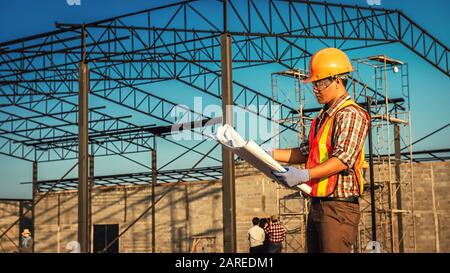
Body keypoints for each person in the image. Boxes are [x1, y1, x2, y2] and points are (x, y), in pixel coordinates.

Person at [272, 48, 370, 253]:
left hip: (338, 208)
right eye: (314, 84)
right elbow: (304, 153)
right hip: (319, 204)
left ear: (338, 80)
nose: (315, 89)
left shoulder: (350, 114)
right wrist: (263, 153)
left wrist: (304, 174)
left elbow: (343, 159)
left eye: (320, 82)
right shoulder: (322, 118)